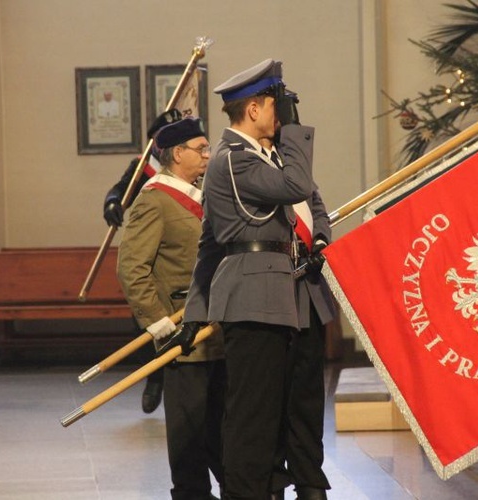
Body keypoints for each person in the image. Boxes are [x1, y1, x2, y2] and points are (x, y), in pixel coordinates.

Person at [181, 58, 320, 500]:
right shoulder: (234, 160)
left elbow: (208, 245)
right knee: (251, 423)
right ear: (255, 109)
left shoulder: (253, 157)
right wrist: (296, 130)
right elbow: (298, 185)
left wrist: (195, 311)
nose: (284, 116)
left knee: (265, 418)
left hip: (268, 298)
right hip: (255, 298)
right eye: (279, 106)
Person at [117, 116, 226, 500]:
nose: (208, 156)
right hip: (183, 335)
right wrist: (160, 325)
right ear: (177, 154)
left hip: (217, 330)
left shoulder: (205, 194)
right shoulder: (154, 200)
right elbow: (132, 268)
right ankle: (192, 493)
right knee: (189, 428)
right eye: (201, 149)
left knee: (220, 423)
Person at [261, 135, 335, 500]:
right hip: (272, 297)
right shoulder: (251, 166)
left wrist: (321, 240)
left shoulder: (298, 172)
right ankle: (274, 479)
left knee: (307, 396)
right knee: (271, 395)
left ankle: (309, 477)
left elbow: (317, 210)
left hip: (308, 296)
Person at [103, 108, 183, 414]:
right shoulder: (142, 168)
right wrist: (112, 203)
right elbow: (119, 190)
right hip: (151, 254)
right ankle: (154, 376)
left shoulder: (194, 168)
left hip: (181, 252)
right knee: (148, 318)